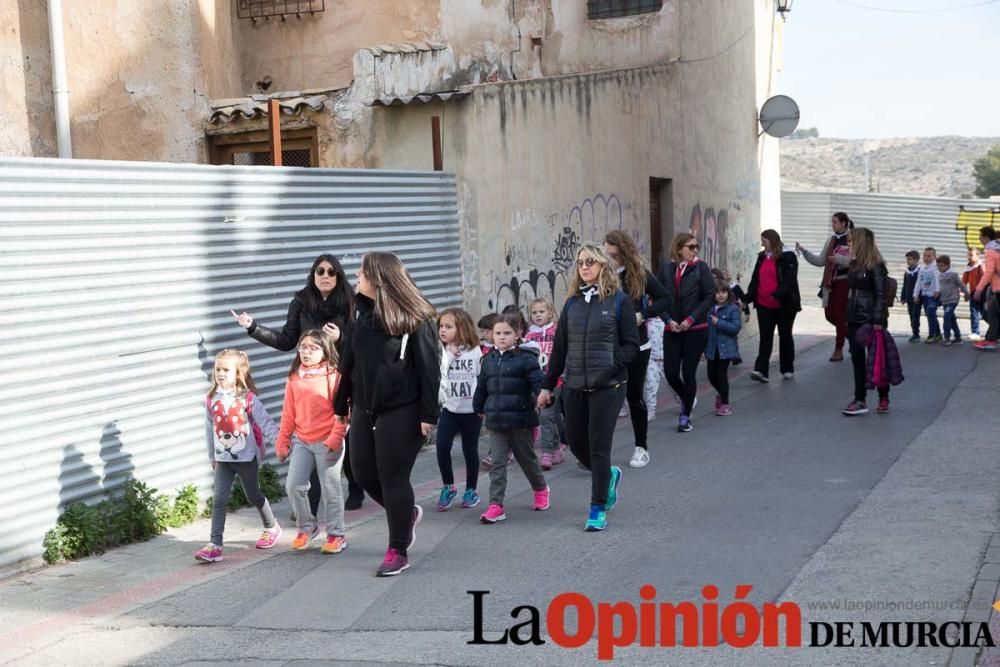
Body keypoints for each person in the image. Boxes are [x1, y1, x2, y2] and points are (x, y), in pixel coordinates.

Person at [333, 252, 441, 577]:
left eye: (361, 272)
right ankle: (404, 513)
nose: (356, 275)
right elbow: (348, 364)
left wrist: (429, 415)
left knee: (393, 477)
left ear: (378, 278)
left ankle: (397, 549)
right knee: (362, 471)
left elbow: (429, 370)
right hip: (366, 407)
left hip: (403, 408)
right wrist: (341, 406)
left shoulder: (415, 319)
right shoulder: (360, 317)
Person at [231, 254, 366, 512]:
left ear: (338, 276)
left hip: (343, 376)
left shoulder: (350, 299)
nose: (325, 276)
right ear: (312, 275)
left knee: (344, 434)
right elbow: (286, 340)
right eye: (320, 271)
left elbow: (363, 339)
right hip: (310, 381)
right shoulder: (301, 302)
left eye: (331, 272)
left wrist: (343, 336)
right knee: (313, 438)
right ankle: (311, 508)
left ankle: (356, 487)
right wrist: (253, 327)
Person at [538, 243, 640, 532]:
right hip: (574, 385)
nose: (584, 267)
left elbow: (631, 345)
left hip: (608, 386)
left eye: (591, 262)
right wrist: (548, 386)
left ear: (603, 267)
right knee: (576, 443)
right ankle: (607, 476)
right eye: (581, 262)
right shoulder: (571, 304)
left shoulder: (619, 301)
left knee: (598, 446)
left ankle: (597, 508)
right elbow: (559, 350)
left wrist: (610, 369)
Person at [195, 349, 280, 563]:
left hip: (246, 457)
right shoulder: (210, 400)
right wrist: (212, 456)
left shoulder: (248, 399)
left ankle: (271, 527)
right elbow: (208, 430)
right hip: (223, 458)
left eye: (226, 370)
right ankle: (215, 545)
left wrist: (281, 443)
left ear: (239, 373)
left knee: (253, 496)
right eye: (217, 369)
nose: (220, 374)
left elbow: (266, 423)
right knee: (219, 500)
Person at [474, 313, 550, 524]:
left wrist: (545, 397)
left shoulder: (526, 359)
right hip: (496, 421)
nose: (501, 337)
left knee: (526, 459)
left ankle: (541, 488)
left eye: (507, 333)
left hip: (521, 419)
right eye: (497, 333)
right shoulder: (488, 359)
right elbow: (482, 386)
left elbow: (537, 382)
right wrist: (478, 406)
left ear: (517, 334)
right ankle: (496, 505)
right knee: (498, 464)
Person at [276, 331, 348, 553]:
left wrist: (336, 437)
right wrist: (283, 441)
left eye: (313, 348)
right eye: (303, 347)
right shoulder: (295, 377)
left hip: (328, 441)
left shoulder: (335, 376)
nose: (306, 352)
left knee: (330, 490)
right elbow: (288, 413)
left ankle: (336, 535)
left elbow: (344, 411)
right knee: (294, 486)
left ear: (325, 350)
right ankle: (307, 527)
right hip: (302, 441)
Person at [603, 230, 669, 469]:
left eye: (612, 254)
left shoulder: (638, 275)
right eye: (605, 253)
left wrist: (644, 314)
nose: (608, 258)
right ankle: (598, 454)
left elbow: (664, 299)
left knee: (634, 397)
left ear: (623, 253)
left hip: (637, 345)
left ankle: (641, 448)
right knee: (606, 398)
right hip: (607, 347)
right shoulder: (600, 276)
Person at [656, 233, 716, 433]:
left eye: (696, 246)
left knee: (689, 373)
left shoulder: (701, 268)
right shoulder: (666, 268)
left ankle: (685, 416)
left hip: (696, 329)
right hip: (672, 328)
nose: (695, 250)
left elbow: (709, 297)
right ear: (679, 248)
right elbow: (657, 297)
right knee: (671, 373)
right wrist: (669, 320)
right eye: (691, 247)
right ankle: (688, 397)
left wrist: (690, 319)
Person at [435, 308, 484, 511]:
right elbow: (438, 373)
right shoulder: (441, 350)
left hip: (471, 411)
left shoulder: (475, 351)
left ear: (461, 327)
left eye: (448, 326)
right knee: (442, 446)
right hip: (449, 408)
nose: (442, 330)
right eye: (441, 326)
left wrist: (482, 404)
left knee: (469, 450)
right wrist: (449, 355)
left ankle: (471, 489)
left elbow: (481, 378)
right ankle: (448, 486)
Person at [842, 228, 892, 416]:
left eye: (850, 241)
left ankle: (883, 396)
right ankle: (859, 399)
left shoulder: (876, 265)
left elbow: (881, 294)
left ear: (860, 242)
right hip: (854, 316)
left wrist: (878, 319)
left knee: (878, 358)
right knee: (856, 358)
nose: (848, 244)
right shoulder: (854, 264)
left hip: (871, 318)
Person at [797, 212, 853, 361]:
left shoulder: (852, 239)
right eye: (832, 222)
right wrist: (804, 252)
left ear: (843, 223)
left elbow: (854, 260)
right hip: (830, 282)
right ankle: (853, 338)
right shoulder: (832, 240)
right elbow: (821, 260)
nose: (832, 225)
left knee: (839, 315)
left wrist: (839, 259)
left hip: (845, 282)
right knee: (830, 315)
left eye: (835, 222)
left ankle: (838, 349)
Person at [746, 229, 801, 383]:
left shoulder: (788, 256)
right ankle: (761, 370)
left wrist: (776, 294)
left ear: (772, 241)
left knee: (785, 336)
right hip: (764, 304)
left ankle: (787, 369)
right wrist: (748, 297)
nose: (762, 244)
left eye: (764, 241)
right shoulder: (762, 257)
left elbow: (789, 281)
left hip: (784, 305)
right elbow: (755, 279)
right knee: (765, 337)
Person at [524, 297, 567, 470]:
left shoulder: (557, 331)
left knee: (546, 416)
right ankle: (556, 447)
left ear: (550, 313)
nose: (538, 315)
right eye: (534, 312)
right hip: (537, 382)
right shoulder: (528, 336)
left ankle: (547, 452)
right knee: (552, 415)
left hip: (555, 380)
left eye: (541, 312)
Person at [705, 280, 743, 416]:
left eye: (723, 292)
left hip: (726, 349)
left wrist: (719, 322)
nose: (720, 295)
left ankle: (725, 404)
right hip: (711, 348)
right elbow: (706, 331)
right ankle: (721, 394)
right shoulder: (709, 309)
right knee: (711, 376)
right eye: (717, 292)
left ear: (728, 293)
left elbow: (736, 328)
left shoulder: (733, 308)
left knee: (721, 375)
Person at [974, 226, 1000, 351]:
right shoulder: (997, 248)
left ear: (986, 237)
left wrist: (979, 289)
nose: (979, 239)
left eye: (980, 237)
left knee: (993, 314)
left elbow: (989, 272)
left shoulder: (990, 251)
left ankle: (991, 340)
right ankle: (991, 339)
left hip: (999, 288)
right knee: (993, 313)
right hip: (997, 288)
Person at [936, 255, 969, 347]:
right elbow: (940, 288)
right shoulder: (939, 275)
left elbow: (961, 285)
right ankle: (958, 337)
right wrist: (937, 294)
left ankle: (946, 338)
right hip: (944, 300)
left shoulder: (953, 274)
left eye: (941, 266)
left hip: (953, 299)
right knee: (951, 318)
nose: (939, 268)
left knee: (946, 317)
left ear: (948, 265)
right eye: (938, 266)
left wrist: (966, 294)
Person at [913, 247, 942, 344]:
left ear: (934, 257)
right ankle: (938, 334)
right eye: (924, 256)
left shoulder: (935, 268)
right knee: (931, 315)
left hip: (933, 296)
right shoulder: (922, 268)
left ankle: (932, 335)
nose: (926, 258)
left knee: (930, 313)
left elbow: (938, 280)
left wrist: (937, 291)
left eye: (929, 256)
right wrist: (915, 294)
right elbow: (918, 282)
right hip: (925, 295)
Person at [643, 315, 668, 423]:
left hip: (666, 358)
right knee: (650, 385)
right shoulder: (646, 322)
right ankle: (651, 411)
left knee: (673, 384)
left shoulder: (668, 320)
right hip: (651, 360)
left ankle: (685, 402)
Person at [963, 248, 985, 341]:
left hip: (982, 293)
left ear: (977, 256)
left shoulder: (981, 266)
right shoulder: (968, 268)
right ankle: (975, 332)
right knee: (974, 313)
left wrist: (980, 292)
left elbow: (985, 280)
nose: (969, 257)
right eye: (968, 255)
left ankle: (996, 331)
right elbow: (964, 281)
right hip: (973, 293)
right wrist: (963, 292)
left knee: (986, 314)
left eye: (971, 255)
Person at [901, 251, 921, 343]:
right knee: (911, 315)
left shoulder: (920, 271)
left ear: (916, 260)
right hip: (909, 298)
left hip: (916, 298)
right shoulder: (907, 271)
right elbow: (905, 285)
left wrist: (919, 296)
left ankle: (916, 334)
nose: (908, 261)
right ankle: (914, 332)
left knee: (915, 316)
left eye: (910, 259)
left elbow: (921, 285)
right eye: (907, 259)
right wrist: (903, 297)